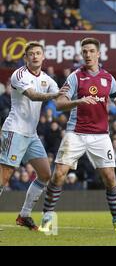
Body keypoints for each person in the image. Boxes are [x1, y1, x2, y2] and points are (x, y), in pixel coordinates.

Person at [38, 38, 116, 232]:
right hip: (76, 133)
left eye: (90, 51)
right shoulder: (75, 77)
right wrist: (79, 101)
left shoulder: (108, 78)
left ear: (98, 54)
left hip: (101, 136)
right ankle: (47, 217)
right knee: (59, 174)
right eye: (84, 51)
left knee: (110, 178)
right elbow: (60, 104)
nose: (87, 54)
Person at [0, 41, 68, 230]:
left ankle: (24, 215)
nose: (35, 56)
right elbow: (33, 95)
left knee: (45, 174)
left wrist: (79, 100)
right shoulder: (19, 75)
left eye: (38, 53)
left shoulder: (46, 78)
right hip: (14, 131)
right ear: (26, 58)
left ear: (43, 56)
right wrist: (55, 96)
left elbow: (62, 97)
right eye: (31, 54)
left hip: (31, 135)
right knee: (4, 177)